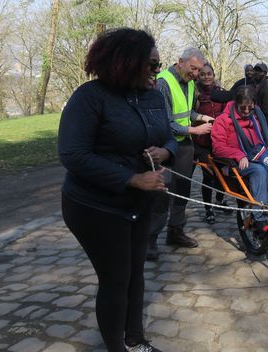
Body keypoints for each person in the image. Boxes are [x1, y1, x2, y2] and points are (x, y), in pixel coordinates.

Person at [58, 27, 175, 352]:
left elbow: (167, 136)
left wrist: (166, 152)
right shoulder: (90, 97)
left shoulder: (152, 96)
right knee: (116, 278)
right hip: (95, 206)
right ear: (127, 62)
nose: (157, 71)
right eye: (151, 65)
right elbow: (73, 154)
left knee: (135, 272)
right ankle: (116, 347)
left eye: (159, 64)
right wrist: (132, 179)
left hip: (139, 203)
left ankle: (135, 340)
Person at [148, 47, 213, 259]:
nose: (196, 74)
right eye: (193, 68)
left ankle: (176, 231)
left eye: (199, 70)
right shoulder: (164, 82)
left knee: (182, 190)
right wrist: (195, 129)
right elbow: (165, 122)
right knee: (161, 193)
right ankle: (150, 239)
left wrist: (202, 117)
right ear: (181, 62)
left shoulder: (190, 83)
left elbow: (187, 111)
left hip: (184, 146)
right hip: (165, 147)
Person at [211, 86, 268, 231]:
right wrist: (239, 155)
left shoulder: (255, 118)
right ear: (235, 104)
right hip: (234, 163)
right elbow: (218, 147)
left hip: (257, 158)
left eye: (250, 108)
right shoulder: (223, 120)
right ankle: (260, 219)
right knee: (259, 171)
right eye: (242, 108)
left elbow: (265, 142)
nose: (246, 112)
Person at [192, 62, 232, 224]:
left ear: (214, 76)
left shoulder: (221, 93)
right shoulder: (195, 94)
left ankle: (220, 200)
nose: (206, 77)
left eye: (209, 74)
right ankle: (208, 208)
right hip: (202, 142)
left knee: (222, 174)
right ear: (199, 77)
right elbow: (191, 115)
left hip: (221, 141)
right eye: (203, 74)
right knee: (208, 176)